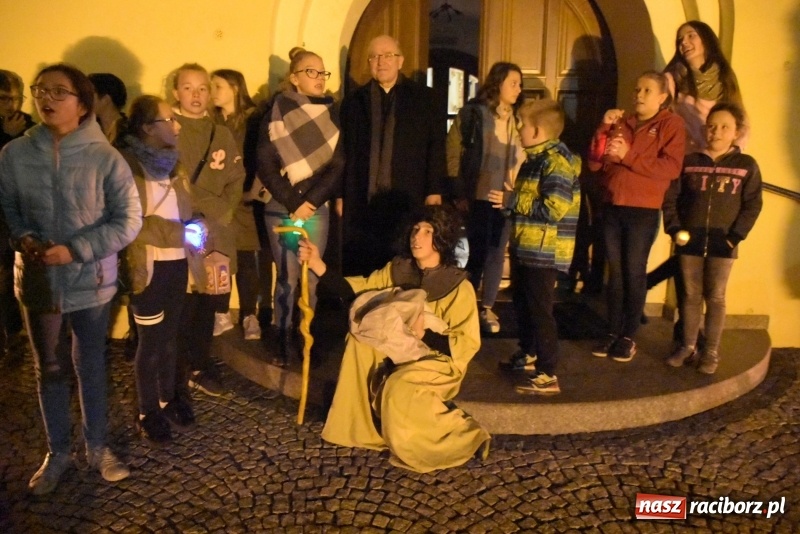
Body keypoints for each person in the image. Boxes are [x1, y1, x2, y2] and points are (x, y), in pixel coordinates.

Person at [0, 63, 141, 494]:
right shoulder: (14, 154)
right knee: (49, 367)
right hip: (38, 279)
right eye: (41, 90)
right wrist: (23, 237)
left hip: (91, 280)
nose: (47, 98)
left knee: (90, 364)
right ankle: (58, 451)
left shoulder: (105, 157)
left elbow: (128, 221)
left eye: (59, 91)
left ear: (82, 105)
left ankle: (97, 447)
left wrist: (76, 250)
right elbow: (9, 209)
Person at [298, 205, 489, 473]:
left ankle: (466, 438)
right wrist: (317, 264)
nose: (417, 237)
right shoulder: (397, 270)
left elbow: (466, 343)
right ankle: (364, 429)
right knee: (359, 342)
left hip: (438, 362)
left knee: (399, 386)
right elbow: (357, 290)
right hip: (397, 349)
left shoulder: (458, 286)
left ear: (441, 239)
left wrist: (426, 334)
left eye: (428, 231)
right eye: (415, 229)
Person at [115, 95, 206, 443]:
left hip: (178, 263)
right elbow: (130, 223)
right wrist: (179, 231)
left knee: (170, 338)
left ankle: (167, 399)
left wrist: (197, 224)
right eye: (169, 120)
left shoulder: (174, 164)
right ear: (146, 128)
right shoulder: (126, 165)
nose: (177, 126)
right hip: (147, 265)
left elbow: (186, 210)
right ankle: (147, 410)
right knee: (150, 342)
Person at [587, 71, 685, 362]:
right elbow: (596, 164)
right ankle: (612, 330)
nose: (639, 95)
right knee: (615, 272)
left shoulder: (670, 125)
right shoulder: (623, 122)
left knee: (633, 271)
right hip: (613, 205)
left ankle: (629, 335)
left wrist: (629, 156)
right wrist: (603, 129)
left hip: (642, 209)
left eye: (646, 90)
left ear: (662, 97)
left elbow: (671, 168)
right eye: (637, 89)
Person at [256, 47, 344, 364]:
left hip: (316, 208)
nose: (319, 78)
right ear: (294, 78)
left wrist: (311, 201)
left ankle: (306, 337)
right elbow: (265, 163)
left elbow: (338, 164)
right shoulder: (276, 112)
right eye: (311, 72)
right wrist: (294, 201)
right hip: (281, 205)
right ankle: (281, 338)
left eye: (322, 72)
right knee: (287, 277)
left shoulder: (332, 112)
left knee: (312, 277)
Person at [662, 103, 762, 374]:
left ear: (736, 132)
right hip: (690, 241)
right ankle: (688, 346)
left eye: (724, 127)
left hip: (723, 243)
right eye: (712, 126)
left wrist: (734, 237)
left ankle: (711, 352)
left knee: (716, 297)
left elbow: (753, 204)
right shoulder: (689, 162)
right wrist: (674, 229)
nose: (716, 132)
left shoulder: (746, 165)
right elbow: (671, 198)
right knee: (690, 295)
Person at [489, 99, 581, 393]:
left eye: (522, 124)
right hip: (526, 247)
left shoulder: (556, 163)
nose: (518, 129)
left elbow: (554, 208)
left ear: (538, 131)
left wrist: (513, 200)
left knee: (541, 311)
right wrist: (509, 204)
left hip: (544, 252)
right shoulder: (533, 160)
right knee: (524, 304)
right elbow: (526, 204)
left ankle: (548, 372)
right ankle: (529, 352)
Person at [340, 35, 446, 275]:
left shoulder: (425, 99)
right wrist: (339, 195)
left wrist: (434, 190)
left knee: (403, 259)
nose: (381, 62)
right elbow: (343, 151)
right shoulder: (353, 102)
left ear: (400, 61)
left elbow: (436, 147)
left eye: (388, 55)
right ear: (369, 63)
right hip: (362, 198)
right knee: (363, 261)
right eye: (375, 57)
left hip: (407, 195)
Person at [172, 63, 244, 397]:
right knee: (182, 301)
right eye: (188, 88)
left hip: (215, 231)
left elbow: (236, 179)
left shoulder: (221, 134)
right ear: (176, 92)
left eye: (203, 88)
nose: (196, 95)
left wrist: (223, 211)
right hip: (179, 228)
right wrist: (203, 206)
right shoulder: (168, 131)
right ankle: (176, 369)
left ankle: (199, 365)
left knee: (207, 301)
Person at [446, 62, 524, 335]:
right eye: (513, 83)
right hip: (478, 193)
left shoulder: (521, 118)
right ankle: (464, 306)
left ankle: (487, 306)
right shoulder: (473, 114)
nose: (518, 89)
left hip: (507, 195)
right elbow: (453, 151)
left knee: (496, 251)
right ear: (498, 83)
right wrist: (458, 190)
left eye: (520, 84)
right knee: (477, 253)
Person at [209, 69, 269, 341]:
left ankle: (249, 314)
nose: (212, 92)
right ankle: (221, 313)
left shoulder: (253, 120)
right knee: (218, 258)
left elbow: (261, 158)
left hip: (244, 200)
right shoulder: (212, 121)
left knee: (246, 258)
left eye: (218, 86)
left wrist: (251, 192)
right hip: (218, 202)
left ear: (234, 88)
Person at [664, 20, 745, 154]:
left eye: (691, 36)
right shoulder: (671, 79)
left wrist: (731, 154)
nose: (684, 42)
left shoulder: (724, 76)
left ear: (706, 39)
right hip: (685, 156)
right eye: (680, 40)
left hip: (718, 156)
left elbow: (740, 117)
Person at [0, 69, 33, 361]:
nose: (12, 105)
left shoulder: (30, 127)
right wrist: (6, 138)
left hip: (23, 215)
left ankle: (21, 334)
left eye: (16, 98)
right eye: (4, 99)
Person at [88, 73, 127, 142]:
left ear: (106, 99)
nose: (85, 99)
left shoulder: (129, 132)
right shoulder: (90, 129)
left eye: (90, 94)